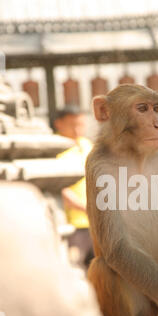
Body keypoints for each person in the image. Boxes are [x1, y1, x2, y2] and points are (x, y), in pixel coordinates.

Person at [54, 106, 94, 270]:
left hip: (96, 223)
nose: (77, 130)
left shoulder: (88, 145)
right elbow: (59, 189)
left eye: (81, 124)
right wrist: (85, 208)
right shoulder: (54, 150)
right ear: (59, 124)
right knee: (75, 269)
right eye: (72, 125)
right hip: (72, 224)